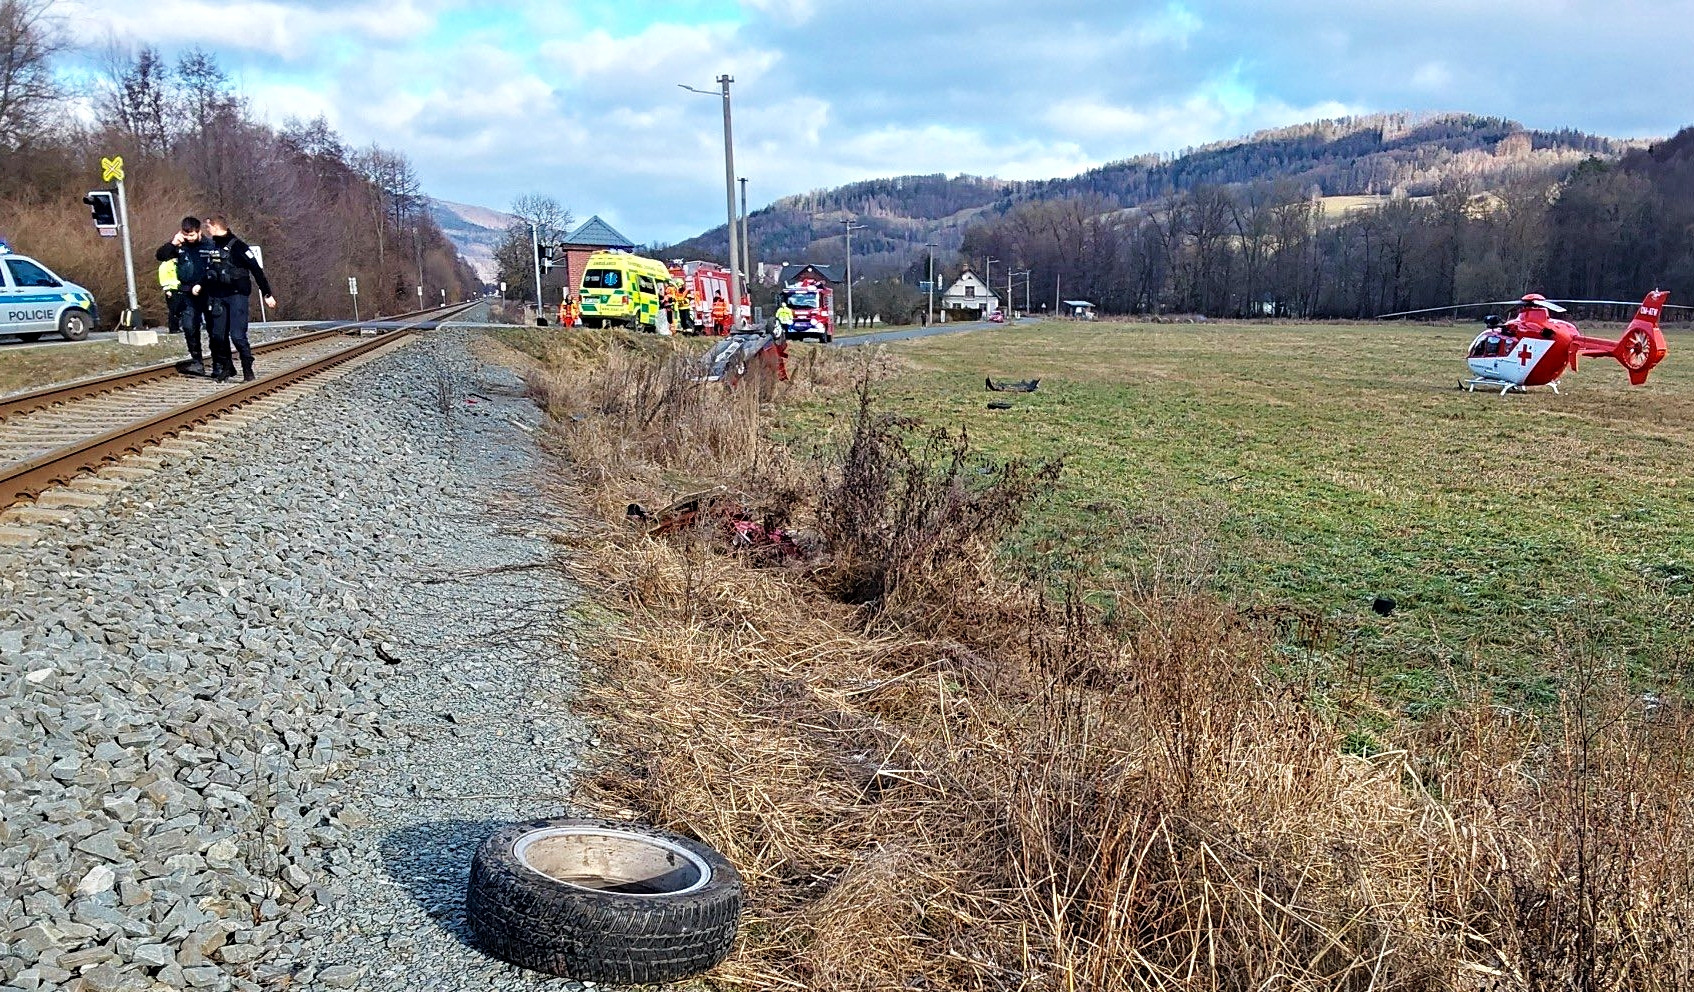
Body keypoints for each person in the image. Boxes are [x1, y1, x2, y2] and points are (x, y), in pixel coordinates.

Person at [192, 215, 276, 382]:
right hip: (218, 296)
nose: (206, 230)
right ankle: (227, 367)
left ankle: (247, 368)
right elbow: (211, 270)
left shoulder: (239, 247)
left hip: (237, 295)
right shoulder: (214, 246)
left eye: (208, 227)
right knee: (218, 335)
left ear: (216, 227)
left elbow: (256, 270)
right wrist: (200, 284)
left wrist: (267, 293)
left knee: (237, 335)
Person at [154, 217, 207, 374]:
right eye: (186, 235)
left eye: (192, 235)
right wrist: (173, 244)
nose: (189, 238)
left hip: (208, 292)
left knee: (214, 330)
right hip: (187, 293)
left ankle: (220, 363)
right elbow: (160, 256)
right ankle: (197, 361)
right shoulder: (179, 246)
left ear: (199, 232)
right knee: (189, 327)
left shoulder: (208, 245)